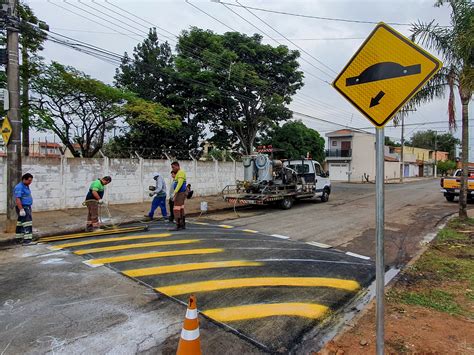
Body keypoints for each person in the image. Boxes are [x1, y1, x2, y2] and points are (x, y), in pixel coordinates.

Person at [14, 173, 35, 245]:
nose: (30, 182)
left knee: (20, 223)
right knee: (27, 223)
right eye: (29, 180)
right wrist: (21, 209)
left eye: (31, 181)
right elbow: (18, 199)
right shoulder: (19, 187)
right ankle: (27, 240)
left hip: (26, 207)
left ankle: (19, 239)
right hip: (23, 207)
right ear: (24, 179)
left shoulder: (26, 186)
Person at [170, 161, 187, 230]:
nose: (172, 169)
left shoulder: (180, 172)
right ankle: (182, 224)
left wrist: (175, 193)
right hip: (181, 193)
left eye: (173, 167)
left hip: (180, 194)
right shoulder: (179, 173)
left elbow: (179, 184)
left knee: (176, 209)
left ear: (177, 166)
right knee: (181, 209)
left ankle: (178, 225)